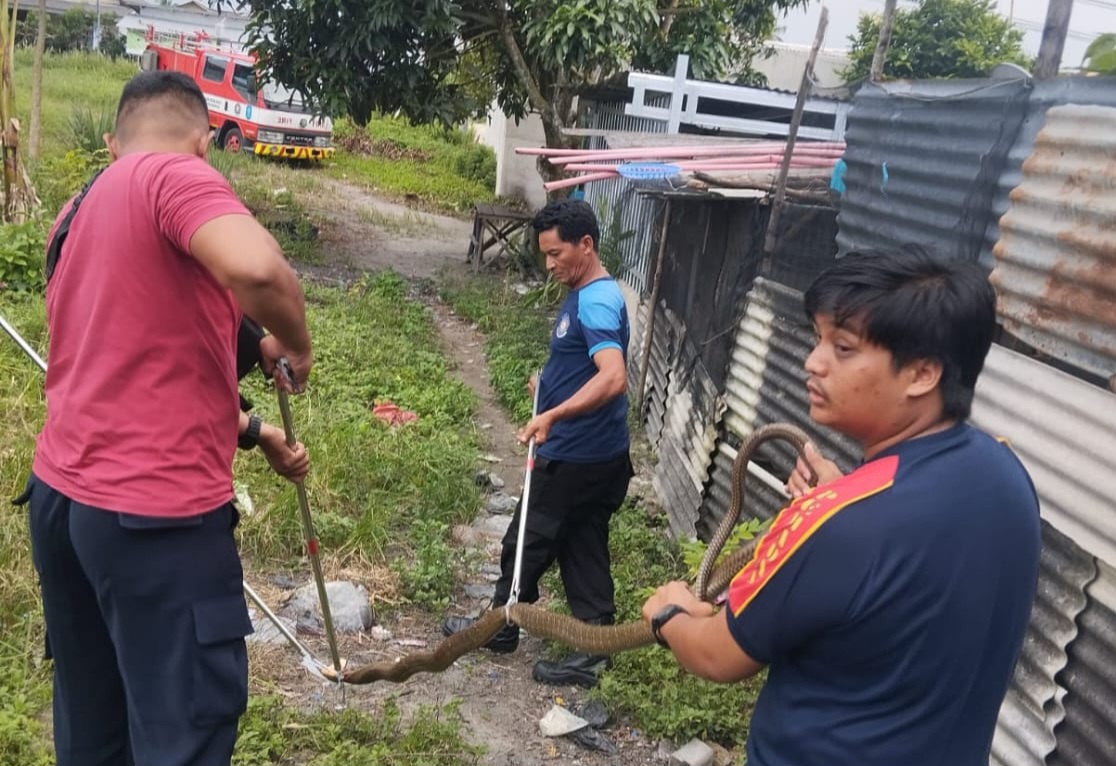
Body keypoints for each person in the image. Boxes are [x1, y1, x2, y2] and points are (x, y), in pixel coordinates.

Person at [641, 247, 1041, 766]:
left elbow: (718, 654)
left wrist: (668, 613)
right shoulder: (1005, 474)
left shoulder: (840, 525)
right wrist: (848, 497)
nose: (812, 361)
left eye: (844, 347)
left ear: (922, 374)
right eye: (819, 338)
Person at [19, 71, 313, 766]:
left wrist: (254, 414)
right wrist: (298, 345)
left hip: (64, 504)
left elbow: (137, 350)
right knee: (183, 733)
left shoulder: (78, 208)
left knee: (96, 731)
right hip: (152, 520)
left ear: (111, 139)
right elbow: (260, 273)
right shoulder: (174, 175)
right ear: (204, 143)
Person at [443, 198, 633, 688]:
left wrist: (553, 413)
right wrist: (547, 380)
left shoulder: (594, 300)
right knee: (582, 544)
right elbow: (585, 366)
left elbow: (613, 378)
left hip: (573, 457)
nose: (549, 265)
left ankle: (499, 628)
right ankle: (593, 650)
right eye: (545, 255)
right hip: (600, 456)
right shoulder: (594, 292)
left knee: (523, 542)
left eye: (556, 254)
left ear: (586, 245)